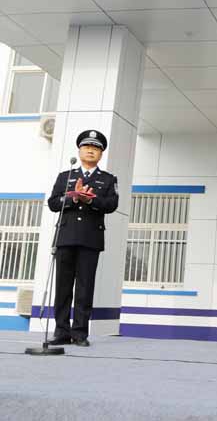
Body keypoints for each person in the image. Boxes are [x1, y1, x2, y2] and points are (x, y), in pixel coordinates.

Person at [47, 130, 119, 347]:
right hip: (66, 237)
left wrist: (90, 200)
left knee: (85, 288)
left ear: (101, 153)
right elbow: (53, 203)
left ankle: (79, 333)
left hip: (90, 239)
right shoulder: (65, 176)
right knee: (62, 286)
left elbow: (111, 205)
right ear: (79, 150)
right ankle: (61, 331)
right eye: (87, 147)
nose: (90, 150)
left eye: (95, 148)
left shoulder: (107, 179)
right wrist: (72, 197)